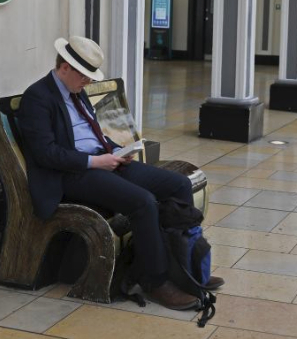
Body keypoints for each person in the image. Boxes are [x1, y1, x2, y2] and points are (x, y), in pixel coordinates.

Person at [17, 36, 223, 310]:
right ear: (64, 67)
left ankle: (184, 268)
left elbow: (93, 134)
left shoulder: (76, 92)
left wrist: (118, 152)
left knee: (178, 185)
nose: (88, 82)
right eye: (85, 75)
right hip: (70, 174)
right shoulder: (38, 98)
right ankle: (156, 281)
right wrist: (95, 162)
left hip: (103, 162)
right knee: (143, 202)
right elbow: (47, 154)